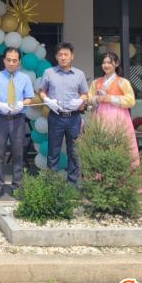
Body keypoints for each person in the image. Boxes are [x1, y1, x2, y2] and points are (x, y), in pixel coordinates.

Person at [0, 47, 34, 199]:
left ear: (19, 62)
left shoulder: (25, 78)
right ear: (4, 60)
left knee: (18, 153)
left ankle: (17, 186)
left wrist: (21, 103)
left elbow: (29, 98)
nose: (12, 63)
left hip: (18, 119)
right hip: (0, 119)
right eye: (9, 60)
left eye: (15, 60)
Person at [39, 42, 89, 185]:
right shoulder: (49, 73)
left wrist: (80, 101)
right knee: (53, 152)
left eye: (66, 54)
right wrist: (47, 100)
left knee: (74, 152)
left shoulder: (79, 74)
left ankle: (72, 184)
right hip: (56, 117)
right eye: (60, 54)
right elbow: (41, 91)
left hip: (74, 118)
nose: (63, 57)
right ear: (56, 56)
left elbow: (85, 93)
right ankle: (52, 185)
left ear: (72, 56)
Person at [88, 51, 139, 167]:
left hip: (118, 118)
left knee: (120, 145)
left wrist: (110, 98)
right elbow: (89, 99)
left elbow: (131, 100)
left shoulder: (123, 82)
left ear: (116, 64)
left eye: (109, 62)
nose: (106, 65)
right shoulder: (96, 82)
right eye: (104, 63)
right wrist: (96, 99)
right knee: (100, 145)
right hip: (99, 117)